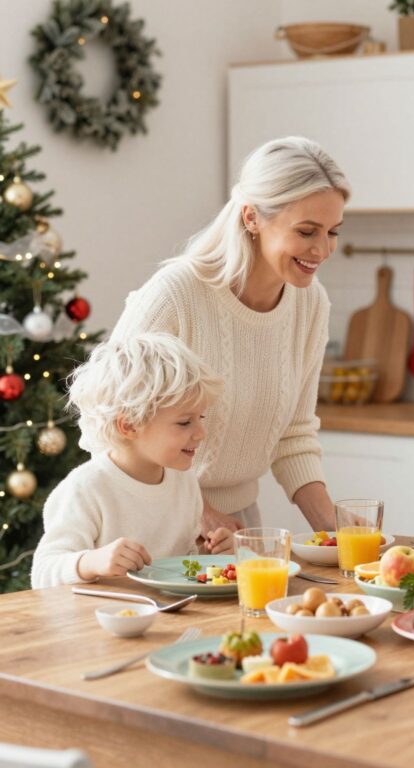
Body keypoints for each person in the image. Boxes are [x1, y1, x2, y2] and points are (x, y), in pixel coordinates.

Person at [110, 136, 351, 534]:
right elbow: (105, 422)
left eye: (333, 232)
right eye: (308, 232)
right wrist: (198, 513)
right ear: (252, 217)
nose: (323, 250)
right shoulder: (176, 294)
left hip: (237, 526)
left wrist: (337, 528)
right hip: (152, 526)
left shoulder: (310, 304)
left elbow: (293, 433)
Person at [31, 333, 230, 588]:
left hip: (164, 619)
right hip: (97, 622)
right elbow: (43, 572)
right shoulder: (86, 488)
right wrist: (89, 563)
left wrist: (212, 556)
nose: (201, 433)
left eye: (200, 418)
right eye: (184, 422)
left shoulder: (184, 482)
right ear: (129, 425)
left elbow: (181, 566)